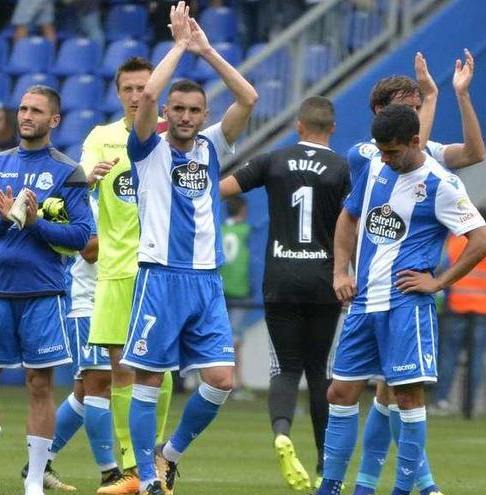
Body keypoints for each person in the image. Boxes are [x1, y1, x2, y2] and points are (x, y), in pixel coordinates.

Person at [317, 104, 486, 495]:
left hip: (405, 307)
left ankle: (403, 490)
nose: (384, 157)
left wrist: (438, 282)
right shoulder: (377, 167)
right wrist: (341, 272)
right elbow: (349, 216)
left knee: (407, 398)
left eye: (392, 151)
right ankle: (329, 487)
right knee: (340, 392)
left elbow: (479, 242)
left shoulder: (440, 184)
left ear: (415, 142)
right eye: (380, 149)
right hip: (364, 304)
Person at [124, 4, 257, 495]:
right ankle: (144, 479)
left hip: (206, 281)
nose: (184, 117)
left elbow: (248, 97)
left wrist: (206, 50)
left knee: (221, 379)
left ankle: (169, 455)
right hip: (160, 276)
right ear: (165, 115)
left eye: (194, 111)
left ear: (204, 115)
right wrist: (179, 46)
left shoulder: (211, 147)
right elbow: (150, 93)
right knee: (148, 382)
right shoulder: (148, 147)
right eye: (177, 110)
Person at [0, 85, 91, 495]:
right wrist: (10, 219)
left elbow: (82, 235)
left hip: (43, 294)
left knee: (40, 386)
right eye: (23, 109)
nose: (27, 116)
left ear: (54, 120)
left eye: (36, 111)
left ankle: (34, 482)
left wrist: (33, 223)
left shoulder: (68, 171)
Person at [350, 49, 485, 495]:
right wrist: (430, 95)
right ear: (379, 115)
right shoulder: (373, 154)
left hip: (407, 294)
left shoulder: (423, 154)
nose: (413, 115)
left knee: (395, 395)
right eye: (403, 109)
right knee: (388, 395)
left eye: (414, 107)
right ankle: (416, 487)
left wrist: (459, 96)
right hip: (376, 288)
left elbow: (475, 152)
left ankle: (405, 487)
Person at [220, 96, 350, 490]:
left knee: (286, 367)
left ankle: (281, 431)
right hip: (324, 279)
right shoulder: (342, 168)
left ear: (298, 126)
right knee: (318, 371)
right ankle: (327, 466)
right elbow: (353, 220)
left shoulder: (273, 160)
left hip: (280, 277)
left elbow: (220, 189)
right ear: (332, 128)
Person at [79, 55, 174, 495]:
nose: (137, 95)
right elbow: (73, 185)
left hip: (161, 268)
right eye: (129, 89)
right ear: (118, 94)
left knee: (160, 365)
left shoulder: (172, 137)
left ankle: (156, 458)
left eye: (144, 87)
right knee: (121, 367)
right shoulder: (101, 137)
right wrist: (86, 179)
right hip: (117, 268)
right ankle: (134, 467)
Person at [19, 195, 119, 492]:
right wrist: (131, 229)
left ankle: (39, 464)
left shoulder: (123, 197)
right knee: (100, 382)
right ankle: (110, 473)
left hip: (110, 298)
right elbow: (88, 250)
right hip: (86, 302)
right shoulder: (86, 199)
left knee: (84, 390)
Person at [433, 209, 486, 417]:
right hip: (485, 308)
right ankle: (469, 405)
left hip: (457, 305)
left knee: (449, 356)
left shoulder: (454, 243)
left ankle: (441, 401)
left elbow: (440, 269)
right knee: (477, 358)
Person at [218, 195, 253, 401]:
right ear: (243, 211)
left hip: (219, 290)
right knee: (235, 340)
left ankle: (221, 381)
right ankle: (234, 382)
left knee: (220, 337)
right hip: (240, 290)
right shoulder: (246, 231)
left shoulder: (219, 230)